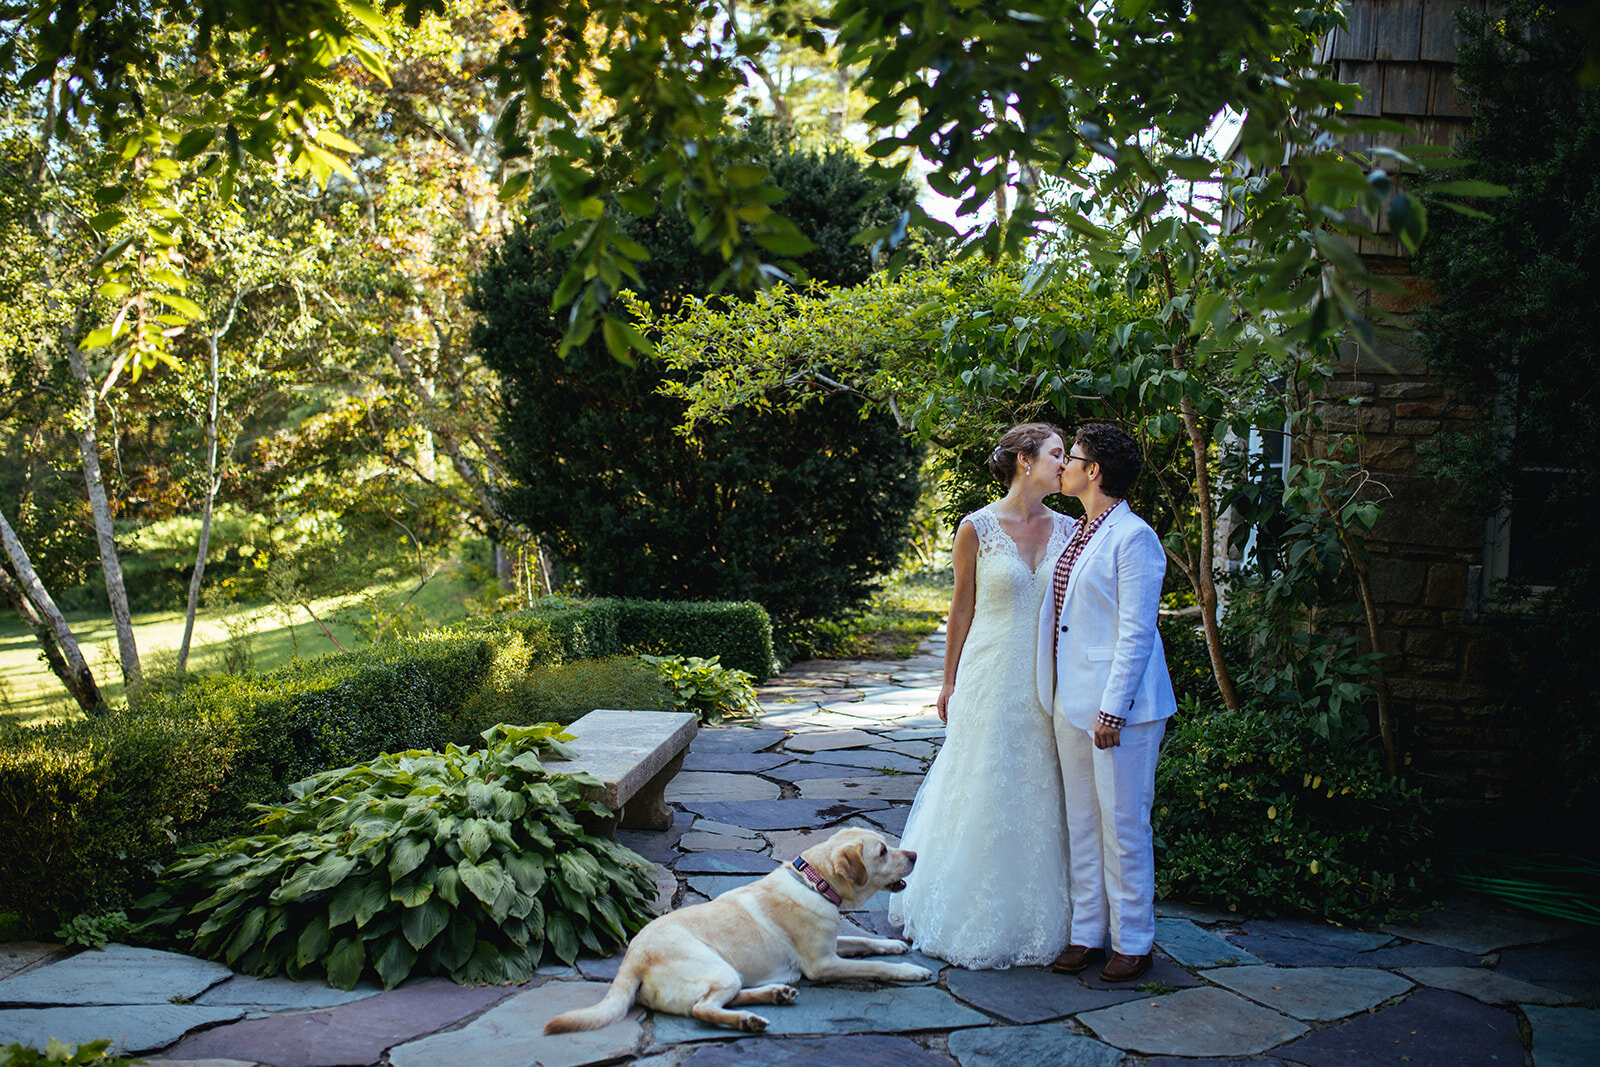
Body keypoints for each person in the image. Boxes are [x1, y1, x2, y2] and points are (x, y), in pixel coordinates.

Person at [890, 423, 1075, 968]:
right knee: (984, 784)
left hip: (1048, 681)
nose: (1065, 463)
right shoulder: (976, 527)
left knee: (1042, 788)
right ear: (1025, 460)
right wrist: (948, 681)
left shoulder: (1072, 529)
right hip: (989, 675)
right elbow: (961, 610)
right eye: (1057, 454)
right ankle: (971, 911)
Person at [1034, 423, 1177, 983]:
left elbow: (1137, 630)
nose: (1063, 465)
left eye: (1072, 458)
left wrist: (1112, 709)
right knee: (1083, 824)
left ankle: (1134, 941)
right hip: (1071, 700)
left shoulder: (1133, 537)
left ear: (1094, 471)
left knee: (1124, 825)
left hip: (1123, 712)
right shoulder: (1080, 531)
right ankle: (1087, 933)